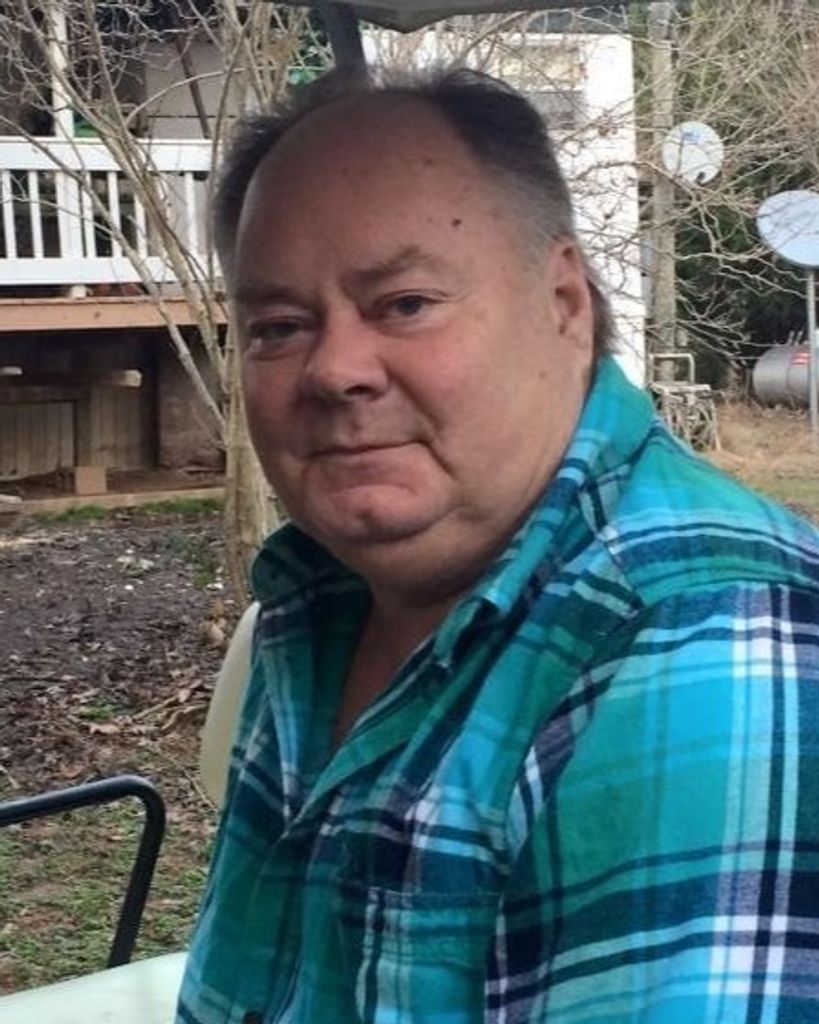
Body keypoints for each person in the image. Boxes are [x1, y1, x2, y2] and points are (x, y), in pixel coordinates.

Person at [177, 68, 819, 1024]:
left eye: (404, 303)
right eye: (279, 326)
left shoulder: (702, 631)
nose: (334, 370)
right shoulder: (328, 593)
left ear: (563, 301)